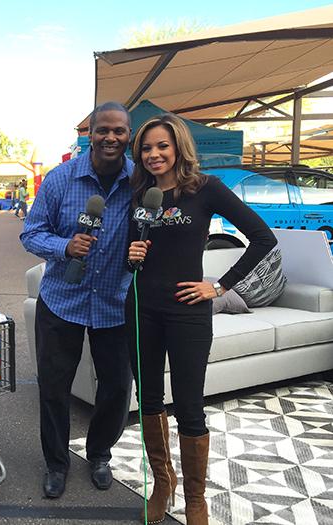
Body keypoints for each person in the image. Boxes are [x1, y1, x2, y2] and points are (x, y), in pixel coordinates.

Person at [126, 114, 276, 524]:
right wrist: (130, 254)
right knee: (149, 400)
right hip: (141, 307)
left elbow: (264, 238)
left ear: (178, 148)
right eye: (146, 148)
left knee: (190, 407)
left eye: (162, 146)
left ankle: (196, 498)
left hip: (188, 313)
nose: (154, 154)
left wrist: (220, 286)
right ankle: (163, 481)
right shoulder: (139, 192)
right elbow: (129, 247)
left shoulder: (205, 189)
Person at [20, 102, 135, 499]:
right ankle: (56, 463)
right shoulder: (60, 179)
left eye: (119, 131)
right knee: (54, 387)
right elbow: (30, 233)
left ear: (128, 135)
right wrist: (65, 246)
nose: (110, 138)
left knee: (118, 387)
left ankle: (100, 452)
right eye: (103, 130)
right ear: (91, 134)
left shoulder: (140, 181)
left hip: (115, 302)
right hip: (61, 300)